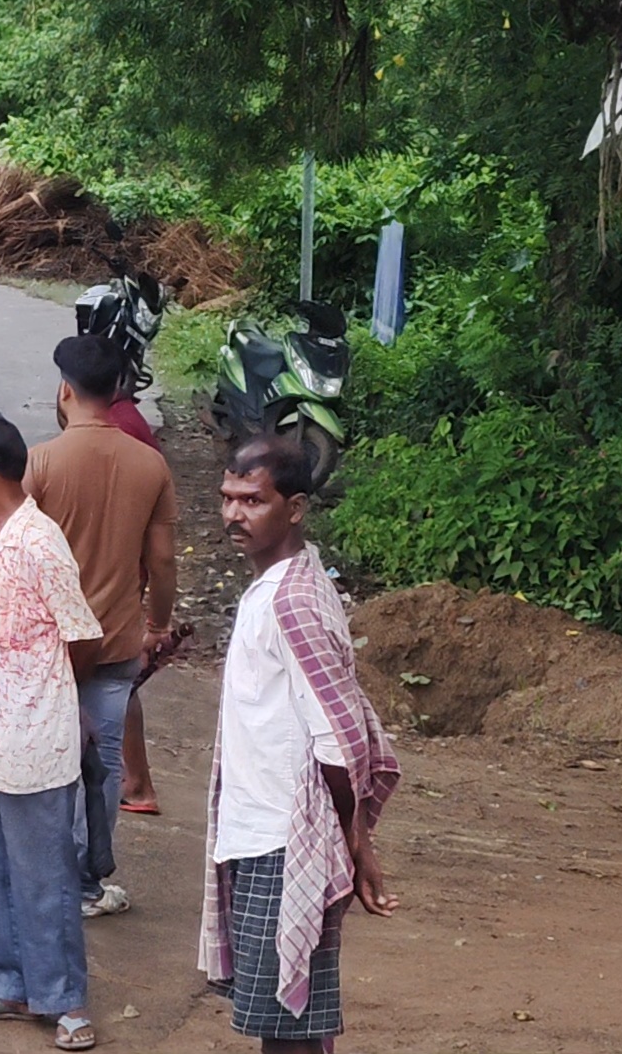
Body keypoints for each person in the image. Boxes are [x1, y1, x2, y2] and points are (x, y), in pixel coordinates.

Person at [198, 433, 401, 1054]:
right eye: (229, 498)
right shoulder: (281, 585)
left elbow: (341, 746)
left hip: (283, 840)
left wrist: (350, 840)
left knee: (287, 1029)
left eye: (253, 501)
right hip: (263, 830)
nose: (235, 514)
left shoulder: (292, 602)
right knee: (292, 1021)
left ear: (296, 507)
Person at [0, 413, 102, 1053]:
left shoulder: (39, 542)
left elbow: (81, 637)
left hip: (32, 739)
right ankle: (1, 982)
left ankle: (63, 1001)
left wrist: (52, 699)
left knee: (44, 874)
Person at [28, 335, 179, 920]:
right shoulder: (150, 464)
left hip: (51, 648)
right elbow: (163, 560)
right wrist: (157, 623)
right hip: (116, 641)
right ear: (118, 390)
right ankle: (90, 882)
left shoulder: (40, 463)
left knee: (50, 760)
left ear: (65, 389)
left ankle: (49, 877)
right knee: (105, 760)